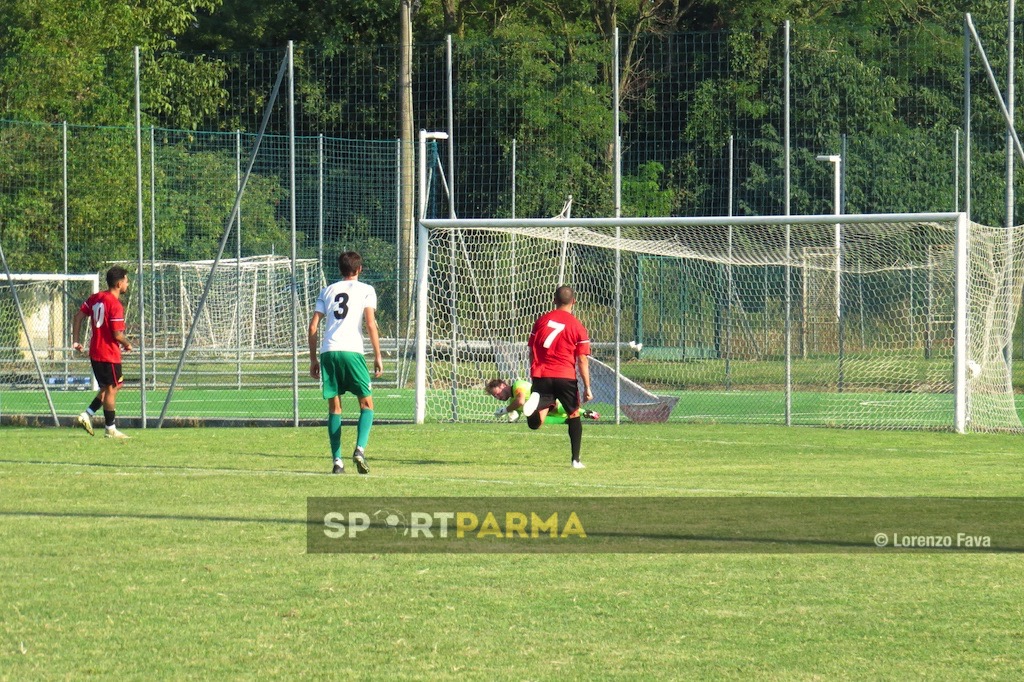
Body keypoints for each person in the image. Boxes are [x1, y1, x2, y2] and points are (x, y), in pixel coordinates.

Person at [308, 251, 383, 475]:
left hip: (329, 352)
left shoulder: (327, 290)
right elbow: (370, 323)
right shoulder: (367, 290)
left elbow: (313, 327)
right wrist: (378, 355)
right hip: (352, 351)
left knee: (335, 408)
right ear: (359, 269)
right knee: (367, 405)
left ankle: (337, 462)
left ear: (339, 270)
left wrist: (313, 359)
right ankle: (359, 450)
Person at [523, 285, 593, 468]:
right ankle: (575, 460)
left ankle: (533, 408)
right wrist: (587, 387)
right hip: (565, 376)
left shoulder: (541, 321)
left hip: (541, 374)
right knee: (573, 414)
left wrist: (534, 373)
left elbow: (531, 350)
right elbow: (582, 360)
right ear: (574, 302)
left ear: (554, 300)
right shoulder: (577, 326)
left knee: (536, 423)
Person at [72, 266, 133, 439]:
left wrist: (76, 340)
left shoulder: (96, 297)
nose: (127, 284)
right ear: (119, 283)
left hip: (96, 351)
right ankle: (110, 428)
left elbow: (78, 317)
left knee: (114, 386)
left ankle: (88, 414)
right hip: (108, 353)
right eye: (126, 281)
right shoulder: (115, 304)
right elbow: (117, 334)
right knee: (112, 388)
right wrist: (128, 344)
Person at [485, 378, 598, 424]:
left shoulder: (518, 386)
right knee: (538, 420)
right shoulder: (512, 403)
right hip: (548, 414)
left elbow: (520, 401)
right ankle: (571, 420)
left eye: (497, 394)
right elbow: (516, 411)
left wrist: (505, 410)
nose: (498, 397)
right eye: (495, 396)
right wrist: (512, 418)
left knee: (558, 407)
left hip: (549, 401)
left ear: (503, 385)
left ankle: (585, 412)